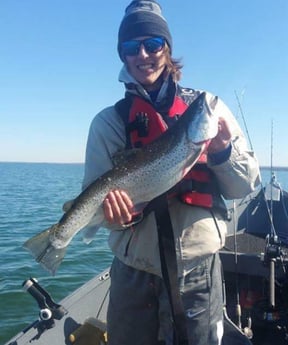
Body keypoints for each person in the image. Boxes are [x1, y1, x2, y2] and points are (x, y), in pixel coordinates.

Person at [82, 1, 261, 344]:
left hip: (198, 271)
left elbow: (245, 185)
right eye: (132, 47)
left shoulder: (207, 107)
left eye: (153, 43)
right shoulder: (107, 123)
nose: (143, 54)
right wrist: (112, 217)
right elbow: (96, 201)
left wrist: (222, 151)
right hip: (134, 274)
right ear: (122, 54)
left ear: (168, 48)